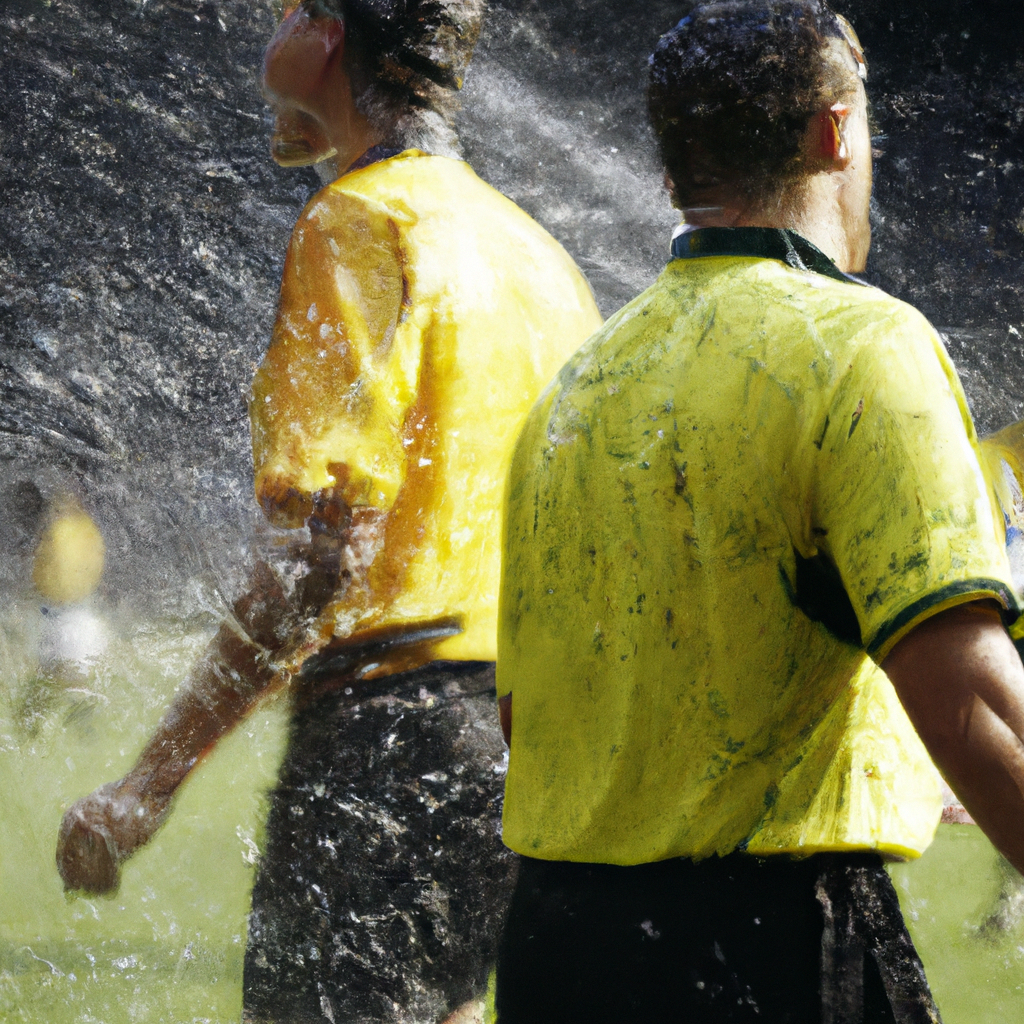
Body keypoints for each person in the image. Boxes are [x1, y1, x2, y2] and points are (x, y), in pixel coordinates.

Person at [55, 1, 602, 1021]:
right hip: (530, 733)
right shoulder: (531, 250)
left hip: (393, 728)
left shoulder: (354, 224)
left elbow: (319, 557)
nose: (273, 25)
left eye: (297, 7)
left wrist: (149, 783)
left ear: (335, 36)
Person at [493, 3, 1024, 1022]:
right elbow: (971, 700)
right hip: (762, 947)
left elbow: (532, 716)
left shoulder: (570, 392)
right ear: (835, 134)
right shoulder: (862, 345)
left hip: (555, 950)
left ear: (669, 167)